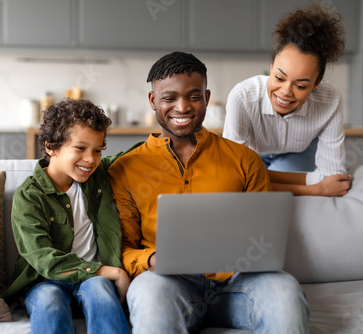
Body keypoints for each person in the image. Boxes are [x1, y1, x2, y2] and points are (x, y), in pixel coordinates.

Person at [108, 52, 309, 333]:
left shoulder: (244, 159)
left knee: (285, 289)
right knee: (150, 294)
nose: (183, 107)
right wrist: (151, 259)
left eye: (193, 96)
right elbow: (124, 249)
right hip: (169, 283)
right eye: (169, 98)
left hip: (238, 283)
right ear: (153, 101)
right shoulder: (124, 169)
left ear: (206, 96)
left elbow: (267, 238)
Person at [2, 99, 130, 334]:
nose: (91, 159)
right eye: (80, 148)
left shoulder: (99, 178)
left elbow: (138, 154)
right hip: (44, 282)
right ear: (51, 147)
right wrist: (110, 271)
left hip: (92, 282)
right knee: (49, 301)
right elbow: (43, 258)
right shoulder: (29, 197)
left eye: (97, 150)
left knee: (101, 292)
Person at [223, 4, 351, 197]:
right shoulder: (242, 96)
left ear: (316, 84)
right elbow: (234, 176)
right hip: (253, 157)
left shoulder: (330, 100)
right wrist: (316, 188)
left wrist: (257, 177)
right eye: (279, 78)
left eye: (300, 86)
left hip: (298, 154)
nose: (285, 92)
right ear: (272, 66)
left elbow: (332, 176)